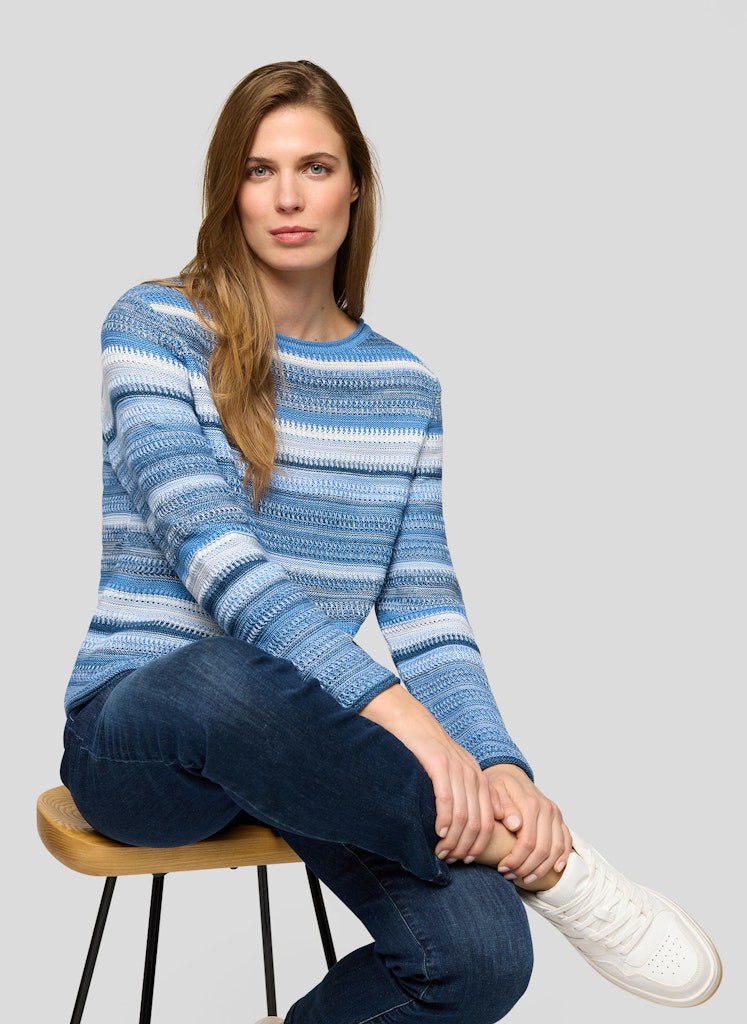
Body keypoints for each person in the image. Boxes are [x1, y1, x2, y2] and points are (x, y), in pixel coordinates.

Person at [60, 60, 721, 1024]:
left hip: (313, 755)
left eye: (315, 168)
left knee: (482, 960)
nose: (288, 197)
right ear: (228, 191)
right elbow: (214, 554)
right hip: (145, 740)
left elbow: (425, 610)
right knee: (220, 674)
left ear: (356, 186)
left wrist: (496, 763)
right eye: (259, 170)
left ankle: (497, 828)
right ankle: (544, 864)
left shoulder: (405, 388)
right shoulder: (154, 326)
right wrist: (405, 722)